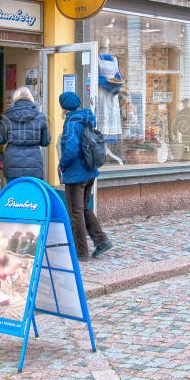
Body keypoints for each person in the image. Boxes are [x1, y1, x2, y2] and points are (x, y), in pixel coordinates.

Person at [58, 91, 112, 262]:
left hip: (76, 174)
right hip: (89, 171)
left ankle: (80, 252)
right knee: (84, 208)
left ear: (63, 106)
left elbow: (72, 149)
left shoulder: (71, 123)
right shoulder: (86, 118)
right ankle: (101, 240)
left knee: (76, 213)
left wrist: (62, 165)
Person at [0, 86, 50, 181]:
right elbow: (46, 142)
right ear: (31, 98)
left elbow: (1, 140)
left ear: (15, 99)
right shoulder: (40, 116)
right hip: (34, 163)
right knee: (32, 193)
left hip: (12, 162)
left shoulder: (7, 116)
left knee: (14, 191)